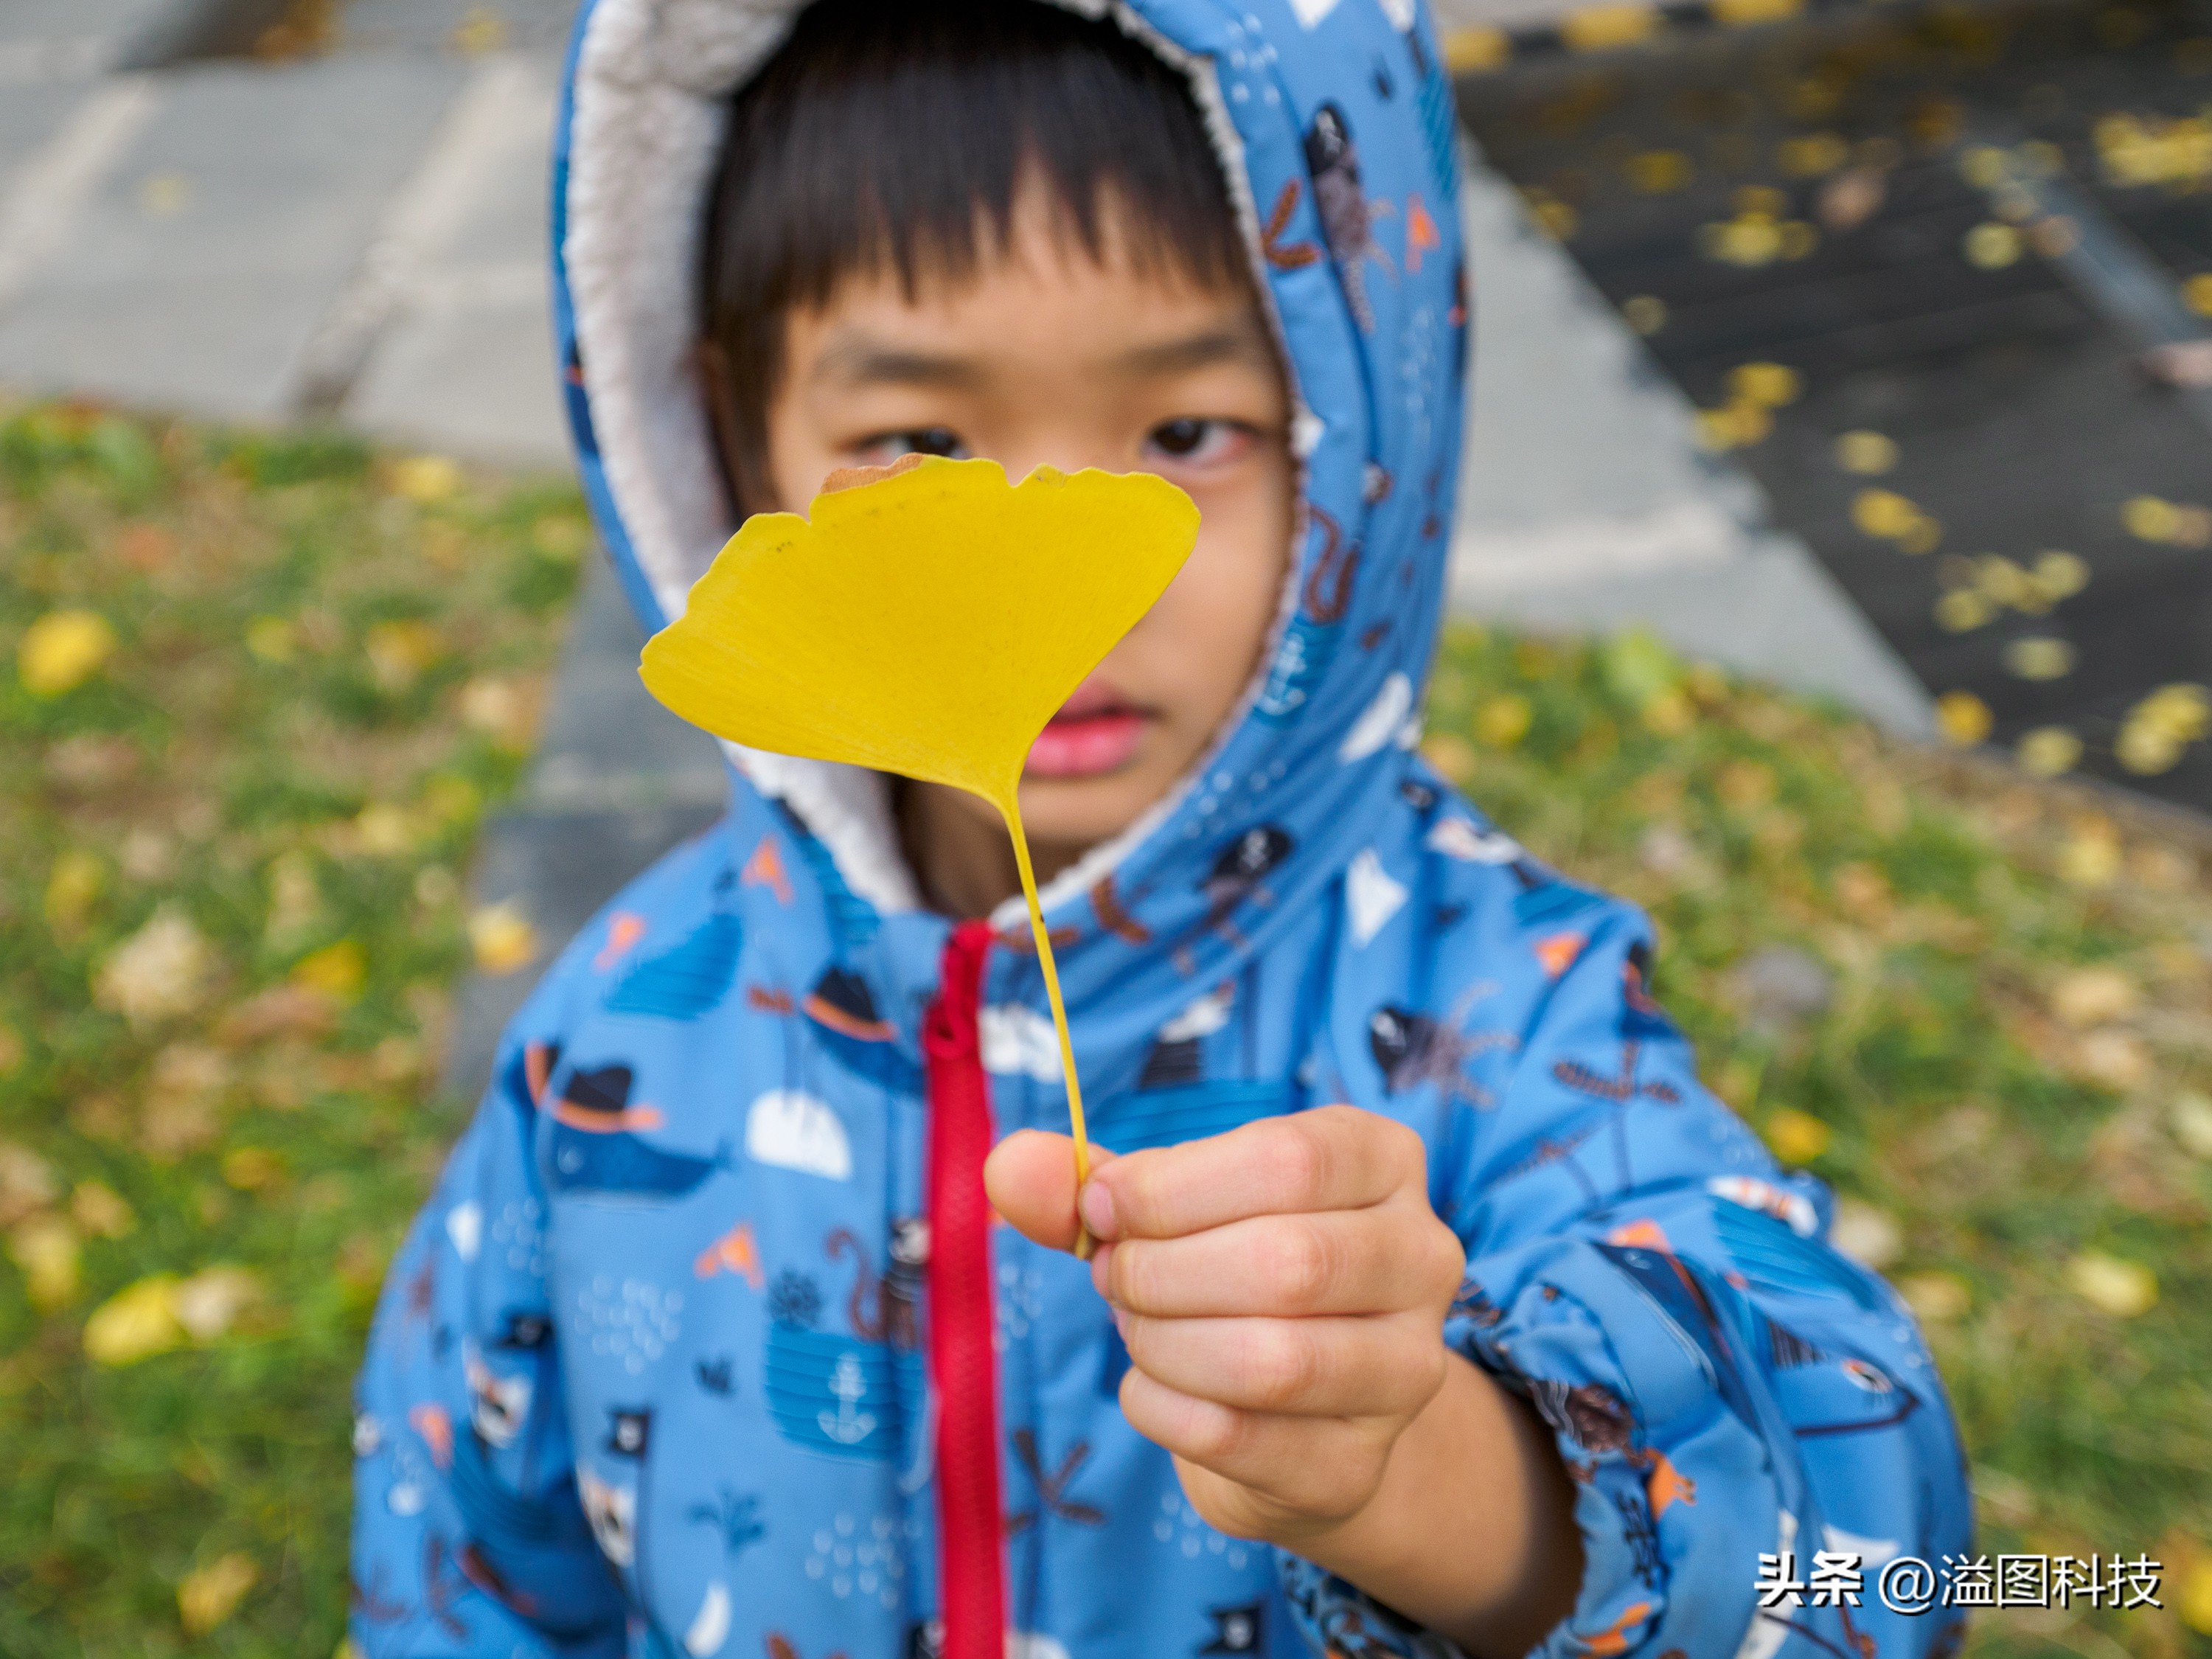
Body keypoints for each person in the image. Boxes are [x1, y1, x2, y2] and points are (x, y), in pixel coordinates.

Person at [351, 3, 1972, 1657]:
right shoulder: (622, 1033)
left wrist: (1438, 1478)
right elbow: (464, 1563)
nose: (1061, 590)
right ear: (728, 443)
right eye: (922, 447)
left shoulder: (1501, 1010)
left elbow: (1869, 1552)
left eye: (1185, 435)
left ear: (1360, 450)